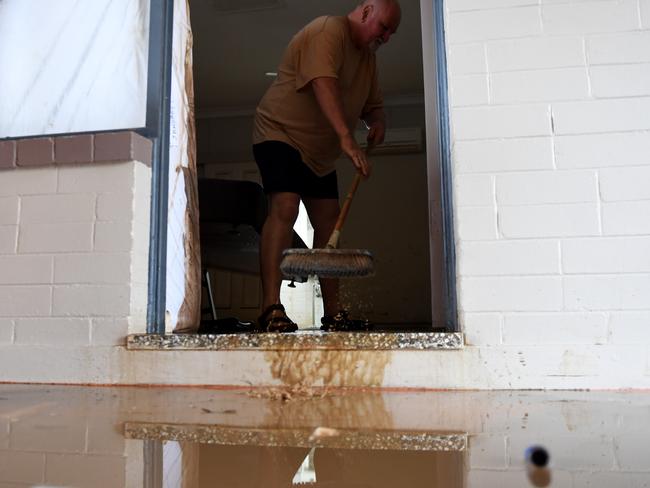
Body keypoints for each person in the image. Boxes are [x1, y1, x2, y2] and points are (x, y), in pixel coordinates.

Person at [252, 0, 402, 332]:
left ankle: (333, 313)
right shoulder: (327, 30)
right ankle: (270, 308)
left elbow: (373, 107)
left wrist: (377, 123)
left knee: (329, 222)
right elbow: (323, 83)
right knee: (286, 206)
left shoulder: (367, 59)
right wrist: (347, 139)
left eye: (392, 32)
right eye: (384, 27)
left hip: (319, 153)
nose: (387, 37)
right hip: (280, 132)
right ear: (366, 11)